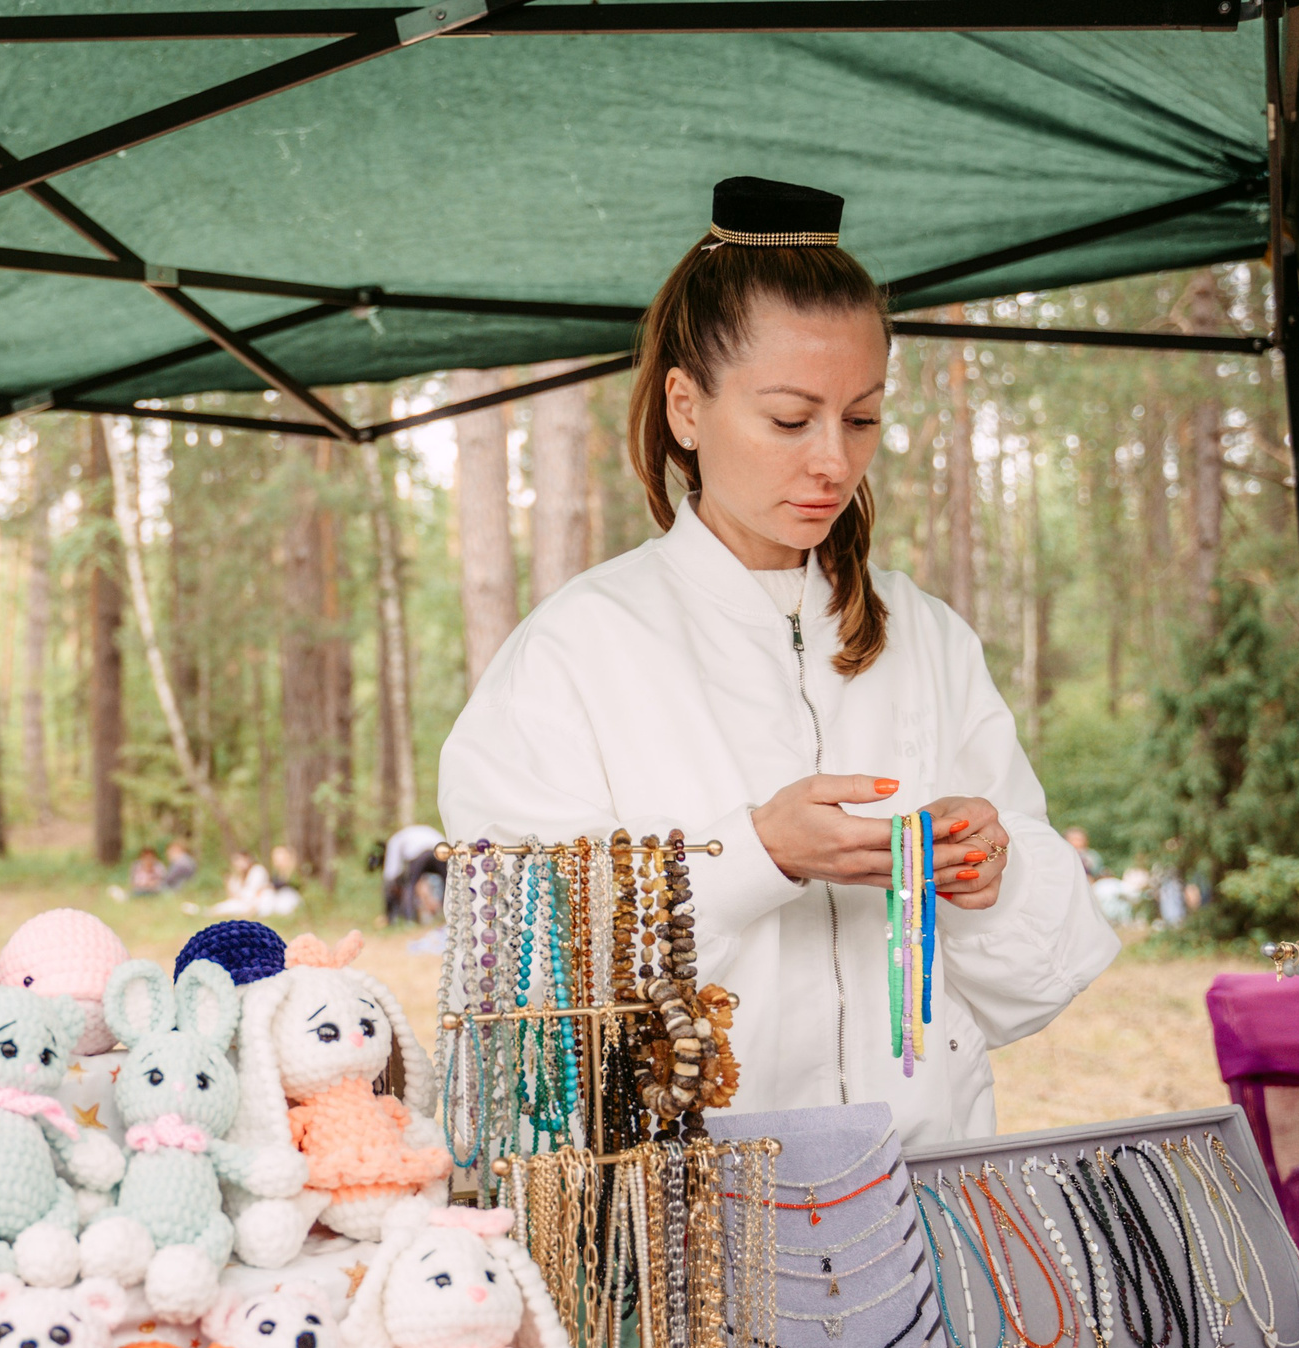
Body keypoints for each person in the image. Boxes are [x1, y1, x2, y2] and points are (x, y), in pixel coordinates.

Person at [438, 177, 1116, 1151]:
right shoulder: (574, 652)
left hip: (923, 1190)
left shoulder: (923, 635)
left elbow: (1039, 974)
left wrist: (988, 877)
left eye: (863, 418)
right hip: (696, 1223)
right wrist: (754, 857)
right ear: (684, 406)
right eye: (791, 420)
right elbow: (518, 976)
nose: (833, 464)